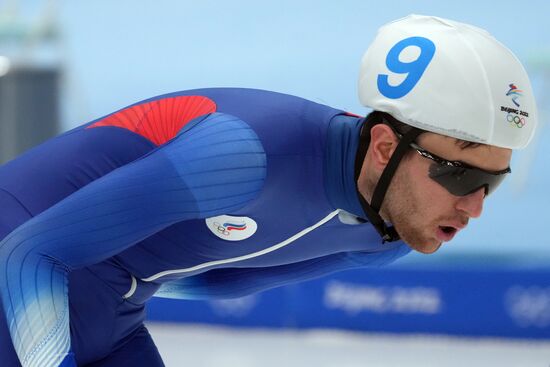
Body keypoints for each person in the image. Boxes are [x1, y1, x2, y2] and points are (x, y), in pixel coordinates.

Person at [0, 14, 537, 367]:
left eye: (491, 182)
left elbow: (216, 283)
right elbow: (31, 252)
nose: (474, 207)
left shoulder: (387, 237)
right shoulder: (242, 155)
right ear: (381, 146)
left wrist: (111, 298)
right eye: (460, 175)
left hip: (110, 320)